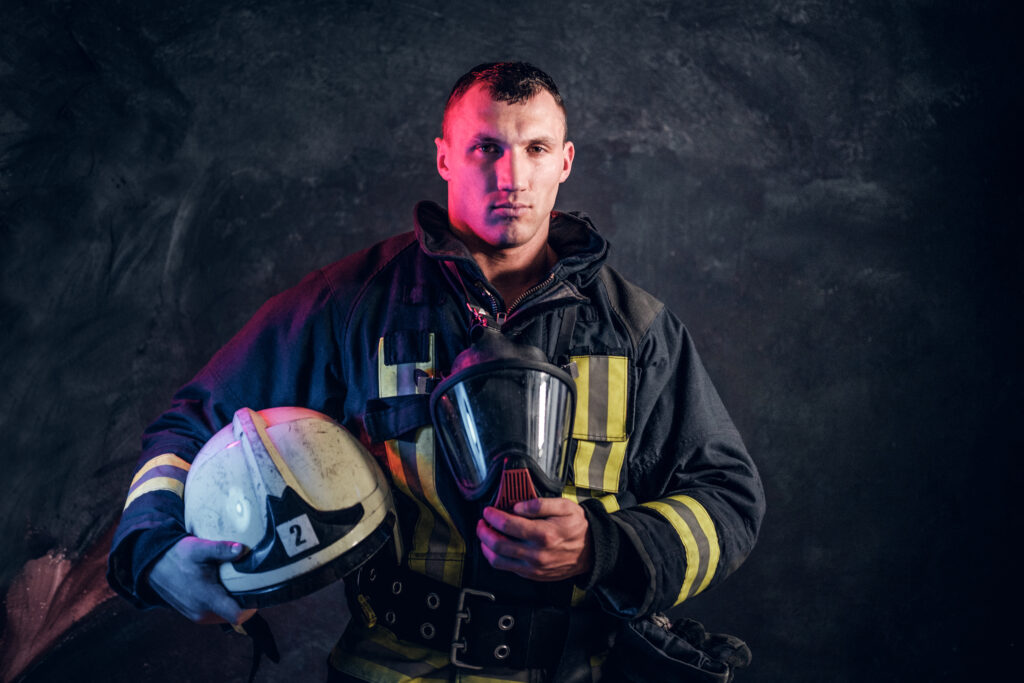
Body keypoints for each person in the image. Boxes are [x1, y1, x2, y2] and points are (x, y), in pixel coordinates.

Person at [107, 62, 765, 682]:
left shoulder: (638, 330)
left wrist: (605, 549)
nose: (512, 176)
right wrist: (153, 547)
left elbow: (729, 497)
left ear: (565, 161)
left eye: (535, 149)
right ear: (444, 157)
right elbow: (194, 420)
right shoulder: (352, 304)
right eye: (486, 148)